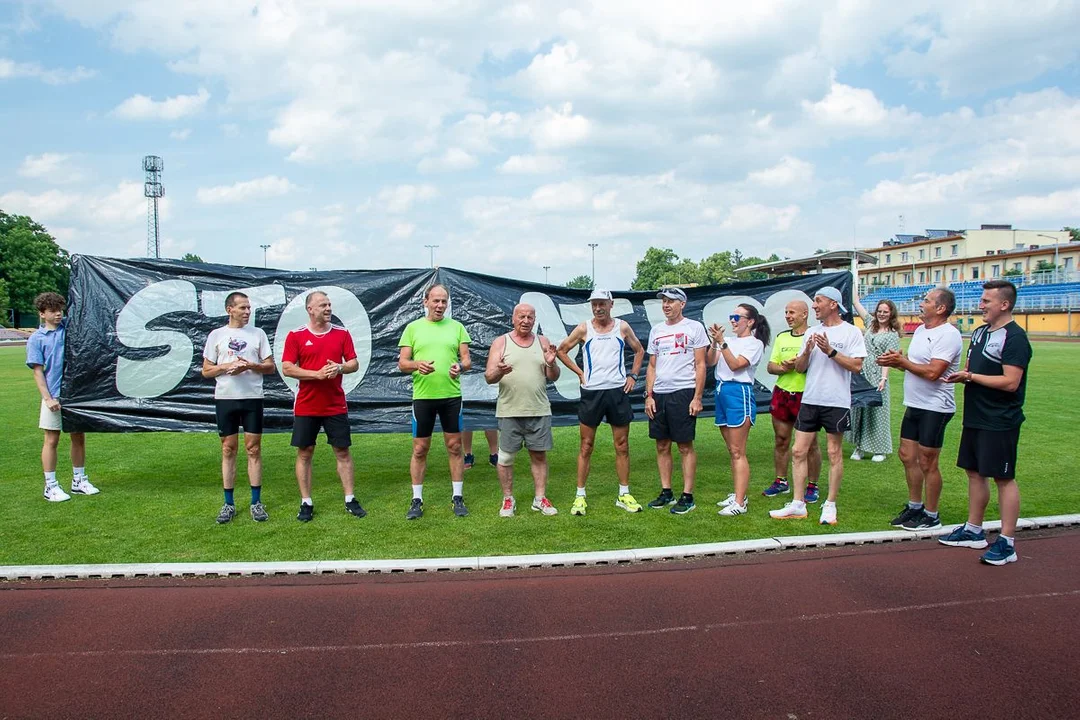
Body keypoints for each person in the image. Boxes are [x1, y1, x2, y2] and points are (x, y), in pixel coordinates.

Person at [939, 280, 1032, 566]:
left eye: (986, 301)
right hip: (976, 416)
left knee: (1003, 477)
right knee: (974, 472)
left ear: (1004, 304)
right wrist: (964, 375)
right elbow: (975, 369)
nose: (981, 305)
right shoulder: (979, 333)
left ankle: (1007, 542)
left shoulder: (1015, 338)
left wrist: (970, 377)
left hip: (1000, 419)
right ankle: (973, 529)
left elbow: (1010, 382)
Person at [770, 286, 866, 525]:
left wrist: (830, 351)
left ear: (833, 304)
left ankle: (830, 505)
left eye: (818, 301)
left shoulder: (851, 332)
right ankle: (798, 503)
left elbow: (856, 366)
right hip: (811, 399)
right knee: (797, 451)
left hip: (836, 401)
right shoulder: (812, 332)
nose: (814, 306)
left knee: (834, 452)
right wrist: (807, 352)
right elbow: (802, 368)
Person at [878, 288, 963, 531]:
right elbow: (916, 366)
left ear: (940, 308)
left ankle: (932, 514)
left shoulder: (948, 335)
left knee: (928, 461)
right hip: (915, 403)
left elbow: (934, 372)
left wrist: (901, 362)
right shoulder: (921, 331)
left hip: (936, 406)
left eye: (926, 301)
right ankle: (915, 506)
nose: (921, 303)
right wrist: (897, 362)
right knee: (907, 455)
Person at [555, 289, 645, 515]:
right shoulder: (584, 327)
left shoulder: (622, 327)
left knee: (622, 445)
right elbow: (562, 350)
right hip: (592, 393)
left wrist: (633, 376)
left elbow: (639, 350)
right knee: (586, 446)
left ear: (610, 304)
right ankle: (580, 496)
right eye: (594, 304)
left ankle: (624, 494)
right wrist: (579, 373)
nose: (598, 308)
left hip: (617, 391)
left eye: (602, 304)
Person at [281, 291, 366, 522]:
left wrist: (339, 368)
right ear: (310, 309)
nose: (328, 308)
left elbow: (354, 363)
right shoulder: (296, 336)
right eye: (322, 305)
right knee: (305, 452)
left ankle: (350, 498)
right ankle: (306, 502)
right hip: (306, 406)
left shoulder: (342, 334)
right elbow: (287, 368)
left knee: (342, 451)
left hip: (335, 405)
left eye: (329, 304)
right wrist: (315, 375)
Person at [398, 283, 472, 519]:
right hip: (423, 398)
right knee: (420, 449)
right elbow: (402, 363)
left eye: (444, 301)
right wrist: (416, 365)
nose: (440, 305)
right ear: (425, 302)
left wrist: (458, 367)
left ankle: (457, 497)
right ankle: (416, 499)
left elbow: (467, 361)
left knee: (455, 447)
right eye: (436, 301)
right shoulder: (413, 328)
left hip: (451, 396)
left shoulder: (457, 327)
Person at [201, 292, 276, 523]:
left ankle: (256, 502)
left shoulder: (258, 334)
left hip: (252, 397)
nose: (247, 312)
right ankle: (228, 503)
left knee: (253, 449)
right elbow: (206, 371)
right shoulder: (217, 335)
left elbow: (270, 367)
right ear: (229, 310)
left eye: (249, 308)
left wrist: (250, 366)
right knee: (228, 449)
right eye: (242, 308)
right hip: (226, 399)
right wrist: (228, 367)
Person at [485, 303, 561, 516]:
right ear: (513, 319)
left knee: (539, 456)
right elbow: (489, 377)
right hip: (509, 410)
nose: (526, 321)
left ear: (534, 320)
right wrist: (499, 371)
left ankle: (540, 498)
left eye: (530, 317)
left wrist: (551, 364)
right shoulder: (501, 343)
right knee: (506, 458)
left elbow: (553, 375)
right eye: (522, 317)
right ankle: (508, 499)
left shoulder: (543, 342)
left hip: (539, 409)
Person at [26, 292, 99, 502]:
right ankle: (50, 486)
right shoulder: (37, 339)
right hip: (54, 395)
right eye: (52, 311)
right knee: (51, 439)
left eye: (60, 310)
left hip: (74, 394)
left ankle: (79, 480)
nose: (58, 314)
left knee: (78, 437)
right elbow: (38, 372)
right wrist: (48, 398)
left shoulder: (69, 328)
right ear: (42, 314)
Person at [644, 287, 709, 515]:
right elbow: (652, 366)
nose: (666, 305)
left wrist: (697, 397)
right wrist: (649, 396)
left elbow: (701, 364)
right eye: (664, 301)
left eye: (671, 301)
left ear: (682, 304)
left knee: (684, 445)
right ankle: (666, 492)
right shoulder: (657, 330)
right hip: (660, 394)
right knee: (662, 444)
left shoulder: (694, 328)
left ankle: (687, 495)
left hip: (684, 392)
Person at [710, 304, 770, 516]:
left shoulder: (755, 344)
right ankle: (738, 494)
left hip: (738, 392)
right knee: (732, 450)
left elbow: (736, 365)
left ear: (750, 321)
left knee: (738, 450)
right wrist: (714, 342)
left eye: (737, 317)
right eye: (731, 316)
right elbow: (711, 361)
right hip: (722, 391)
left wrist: (722, 343)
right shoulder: (730, 341)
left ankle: (740, 503)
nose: (733, 320)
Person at [762, 300, 823, 503]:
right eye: (786, 312)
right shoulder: (781, 337)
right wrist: (784, 368)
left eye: (792, 312)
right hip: (782, 393)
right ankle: (781, 481)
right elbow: (771, 366)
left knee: (811, 444)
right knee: (781, 440)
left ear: (805, 314)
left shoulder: (815, 336)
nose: (788, 316)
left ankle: (812, 485)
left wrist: (799, 363)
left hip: (807, 394)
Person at [847, 296, 902, 462]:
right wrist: (852, 284)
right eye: (879, 311)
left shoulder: (892, 335)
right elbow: (856, 304)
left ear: (891, 313)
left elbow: (889, 358)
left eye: (885, 312)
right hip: (862, 369)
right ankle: (859, 447)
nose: (882, 314)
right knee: (859, 409)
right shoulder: (871, 324)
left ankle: (880, 450)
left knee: (877, 411)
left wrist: (884, 378)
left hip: (878, 371)